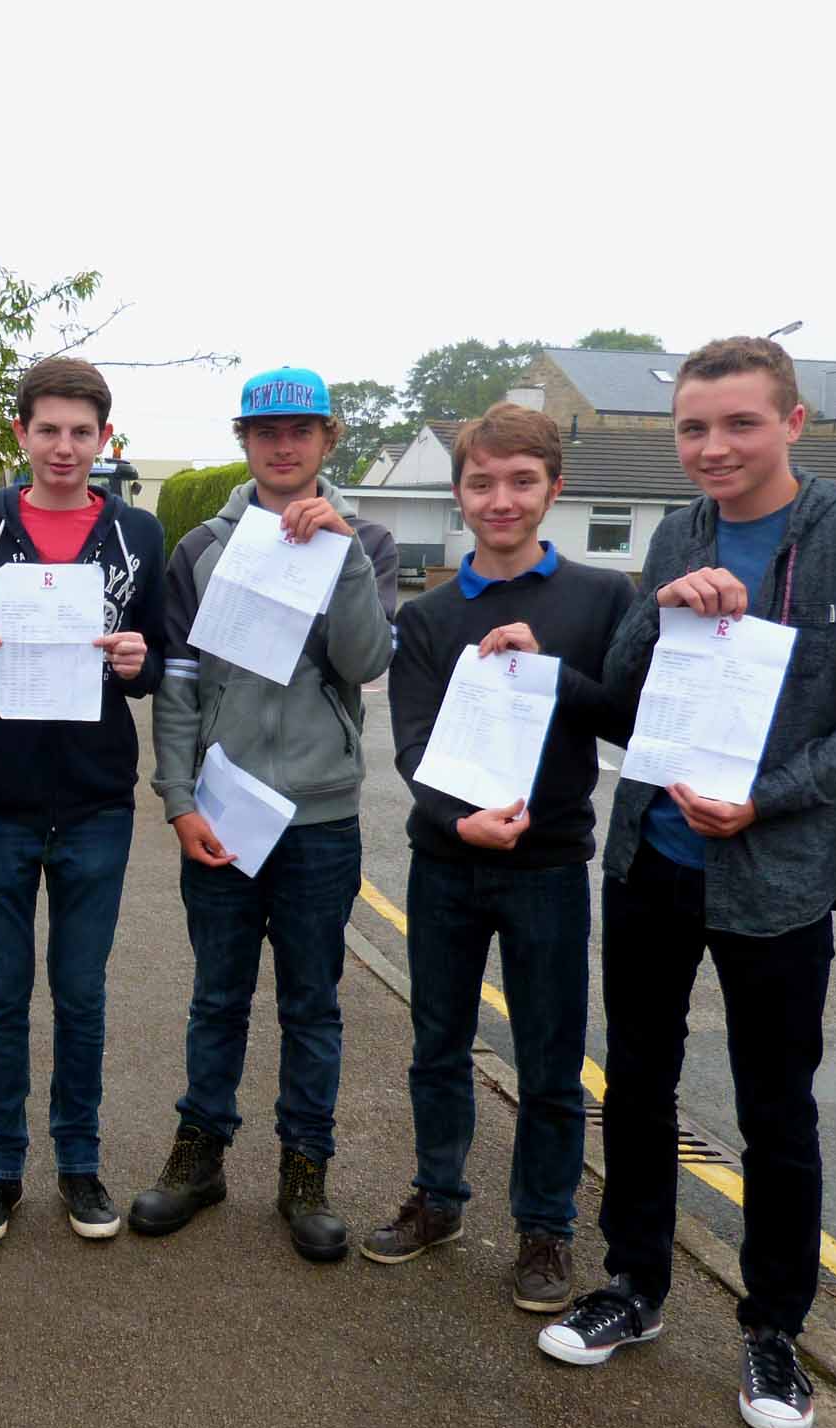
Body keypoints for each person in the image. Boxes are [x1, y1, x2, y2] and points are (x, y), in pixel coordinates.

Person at [540, 337, 836, 1428]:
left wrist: (770, 798)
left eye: (736, 424)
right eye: (690, 428)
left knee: (775, 1108)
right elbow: (628, 693)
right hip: (652, 860)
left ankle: (774, 1330)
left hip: (775, 875)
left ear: (791, 422)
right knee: (633, 1081)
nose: (711, 448)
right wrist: (658, 609)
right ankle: (633, 1284)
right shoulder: (677, 529)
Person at [366, 403, 634, 1311]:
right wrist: (454, 820)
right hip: (445, 863)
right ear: (459, 493)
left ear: (554, 489)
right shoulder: (435, 613)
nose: (501, 499)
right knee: (437, 1045)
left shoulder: (602, 599)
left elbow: (631, 721)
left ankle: (545, 1230)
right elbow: (411, 743)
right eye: (482, 482)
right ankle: (439, 1199)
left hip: (550, 865)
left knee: (551, 1060)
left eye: (522, 482)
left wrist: (554, 667)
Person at [133, 366, 396, 1262]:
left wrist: (347, 552)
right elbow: (176, 687)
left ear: (328, 440)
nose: (284, 447)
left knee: (313, 1003)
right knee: (217, 996)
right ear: (246, 440)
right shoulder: (202, 547)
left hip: (320, 816)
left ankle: (304, 1169)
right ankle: (200, 1155)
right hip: (223, 810)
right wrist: (177, 801)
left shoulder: (369, 541)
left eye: (302, 431)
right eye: (266, 432)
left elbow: (362, 662)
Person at [0, 357, 164, 1243]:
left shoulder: (138, 534)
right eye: (48, 429)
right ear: (22, 433)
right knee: (0, 994)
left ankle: (79, 1164)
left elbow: (160, 660)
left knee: (80, 992)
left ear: (104, 439)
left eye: (83, 431)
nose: (65, 446)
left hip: (97, 801)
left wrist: (141, 667)